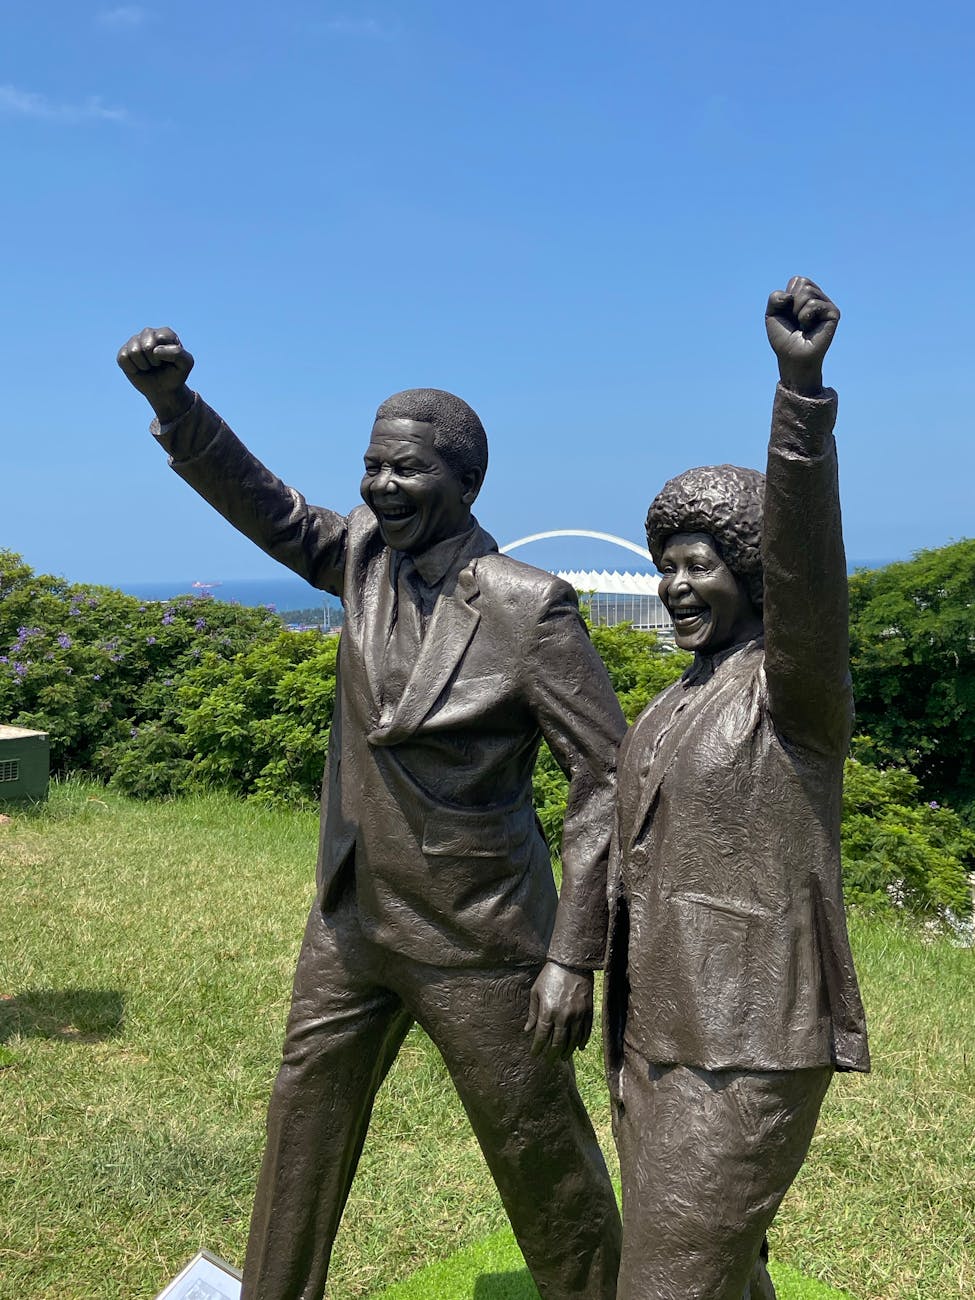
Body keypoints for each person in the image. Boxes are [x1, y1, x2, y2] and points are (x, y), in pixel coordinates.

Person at [117, 330, 625, 1300]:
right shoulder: (356, 555)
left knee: (542, 1164)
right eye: (371, 467)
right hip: (352, 920)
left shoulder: (532, 609)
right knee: (300, 1129)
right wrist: (180, 408)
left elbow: (605, 776)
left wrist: (572, 953)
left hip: (480, 939)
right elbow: (265, 507)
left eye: (406, 468)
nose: (381, 487)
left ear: (464, 481)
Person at [604, 278, 870, 1300]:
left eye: (701, 564)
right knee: (718, 1271)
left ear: (752, 572)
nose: (675, 584)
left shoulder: (793, 690)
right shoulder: (678, 698)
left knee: (667, 1282)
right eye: (665, 564)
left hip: (746, 1036)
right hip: (655, 1026)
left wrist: (797, 395)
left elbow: (812, 572)